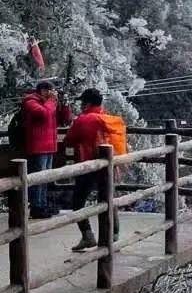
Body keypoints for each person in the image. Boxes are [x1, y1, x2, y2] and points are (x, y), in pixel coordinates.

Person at [64, 88, 121, 251]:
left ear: (87, 103)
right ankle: (113, 234)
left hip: (89, 164)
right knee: (108, 198)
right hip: (110, 165)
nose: (81, 105)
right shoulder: (108, 118)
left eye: (83, 102)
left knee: (78, 201)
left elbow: (69, 140)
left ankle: (87, 235)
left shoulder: (84, 120)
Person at [20, 81, 58, 218]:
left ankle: (43, 204)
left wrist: (64, 105)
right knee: (38, 177)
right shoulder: (30, 102)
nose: (51, 93)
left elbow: (64, 118)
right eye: (49, 90)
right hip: (37, 147)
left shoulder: (49, 103)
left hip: (49, 146)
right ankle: (36, 206)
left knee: (46, 178)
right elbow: (43, 114)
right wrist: (51, 102)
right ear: (42, 90)